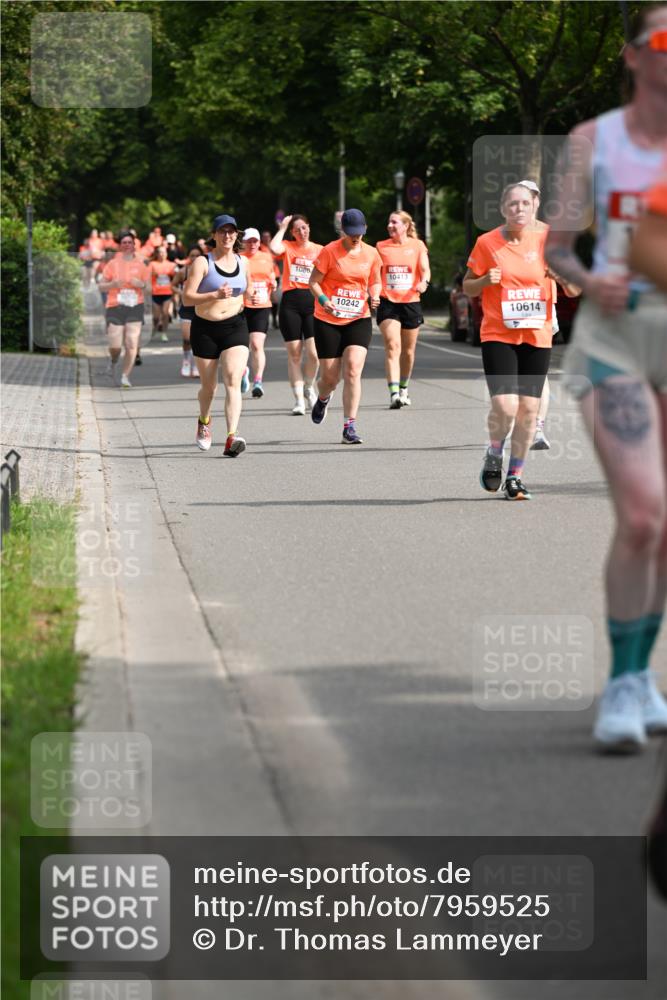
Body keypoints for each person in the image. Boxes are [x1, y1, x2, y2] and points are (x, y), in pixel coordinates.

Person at [545, 5, 667, 751]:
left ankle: (643, 675)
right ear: (633, 55)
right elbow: (556, 247)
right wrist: (593, 281)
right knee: (643, 515)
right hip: (616, 341)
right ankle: (622, 684)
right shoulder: (594, 140)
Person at [463, 182, 554, 500]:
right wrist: (484, 280)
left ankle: (515, 476)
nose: (519, 209)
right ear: (503, 209)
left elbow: (575, 288)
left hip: (537, 335)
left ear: (534, 206)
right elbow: (467, 286)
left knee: (529, 410)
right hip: (498, 334)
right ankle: (494, 451)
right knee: (505, 406)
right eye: (513, 204)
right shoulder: (487, 243)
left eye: (524, 203)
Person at [308, 208, 381, 444]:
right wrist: (324, 300)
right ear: (343, 230)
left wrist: (375, 295)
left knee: (352, 370)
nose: (355, 236)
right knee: (330, 378)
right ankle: (323, 397)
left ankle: (349, 427)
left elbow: (375, 281)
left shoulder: (371, 253)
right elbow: (313, 282)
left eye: (359, 232)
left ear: (365, 229)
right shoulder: (330, 251)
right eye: (351, 232)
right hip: (328, 319)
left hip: (358, 318)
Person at [183, 214, 249, 456]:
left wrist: (253, 298)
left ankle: (232, 437)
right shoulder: (203, 262)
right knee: (209, 388)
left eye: (231, 231)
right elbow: (187, 298)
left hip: (235, 326)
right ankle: (204, 420)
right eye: (222, 231)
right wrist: (214, 295)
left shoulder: (244, 262)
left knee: (233, 378)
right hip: (205, 328)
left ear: (236, 235)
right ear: (214, 235)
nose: (227, 236)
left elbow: (248, 288)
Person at [376, 211, 430, 408]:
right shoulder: (381, 246)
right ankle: (394, 394)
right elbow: (374, 272)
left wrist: (424, 282)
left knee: (408, 351)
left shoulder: (417, 245)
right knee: (393, 345)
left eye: (394, 222)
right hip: (388, 302)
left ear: (406, 226)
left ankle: (404, 388)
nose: (390, 225)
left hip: (410, 302)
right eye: (389, 222)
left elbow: (425, 269)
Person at [270, 214, 322, 414]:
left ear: (309, 227)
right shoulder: (288, 246)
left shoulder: (319, 249)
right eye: (297, 229)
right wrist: (282, 228)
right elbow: (274, 248)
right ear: (292, 233)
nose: (302, 232)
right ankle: (299, 399)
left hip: (312, 302)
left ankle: (309, 386)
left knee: (314, 354)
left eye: (304, 227)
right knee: (294, 354)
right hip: (291, 303)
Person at [98, 230, 150, 388]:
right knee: (115, 346)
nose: (127, 245)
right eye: (124, 242)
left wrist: (141, 284)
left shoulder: (141, 265)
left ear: (134, 245)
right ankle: (114, 359)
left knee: (132, 342)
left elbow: (149, 289)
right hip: (115, 305)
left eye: (130, 242)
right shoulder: (112, 264)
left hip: (135, 306)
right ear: (120, 246)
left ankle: (125, 376)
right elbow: (101, 286)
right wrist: (112, 284)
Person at [242, 227, 277, 398]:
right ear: (243, 242)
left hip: (262, 305)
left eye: (255, 241)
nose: (252, 244)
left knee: (256, 344)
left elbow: (271, 275)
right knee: (241, 346)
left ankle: (257, 381)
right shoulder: (238, 259)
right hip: (240, 307)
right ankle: (243, 371)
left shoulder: (266, 256)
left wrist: (273, 282)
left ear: (259, 242)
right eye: (249, 241)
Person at [172, 245, 203, 378]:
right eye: (192, 255)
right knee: (186, 339)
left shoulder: (207, 270)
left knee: (198, 339)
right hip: (187, 308)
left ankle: (196, 364)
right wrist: (181, 293)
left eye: (197, 255)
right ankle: (186, 360)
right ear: (188, 257)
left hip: (201, 308)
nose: (195, 258)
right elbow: (173, 286)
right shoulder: (183, 271)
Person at [148, 244, 176, 342]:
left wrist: (173, 277)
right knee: (156, 317)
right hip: (155, 293)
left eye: (163, 252)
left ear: (166, 254)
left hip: (167, 292)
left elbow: (176, 278)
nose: (162, 254)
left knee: (165, 313)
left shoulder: (171, 265)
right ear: (157, 254)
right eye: (160, 252)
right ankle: (154, 329)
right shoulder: (152, 264)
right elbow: (146, 276)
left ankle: (164, 333)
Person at [261, 229, 281, 329]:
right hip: (265, 276)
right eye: (264, 236)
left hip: (275, 275)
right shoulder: (260, 247)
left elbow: (279, 256)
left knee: (274, 298)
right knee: (269, 297)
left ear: (270, 237)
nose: (266, 238)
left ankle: (273, 320)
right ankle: (268, 321)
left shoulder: (273, 247)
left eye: (268, 236)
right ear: (262, 238)